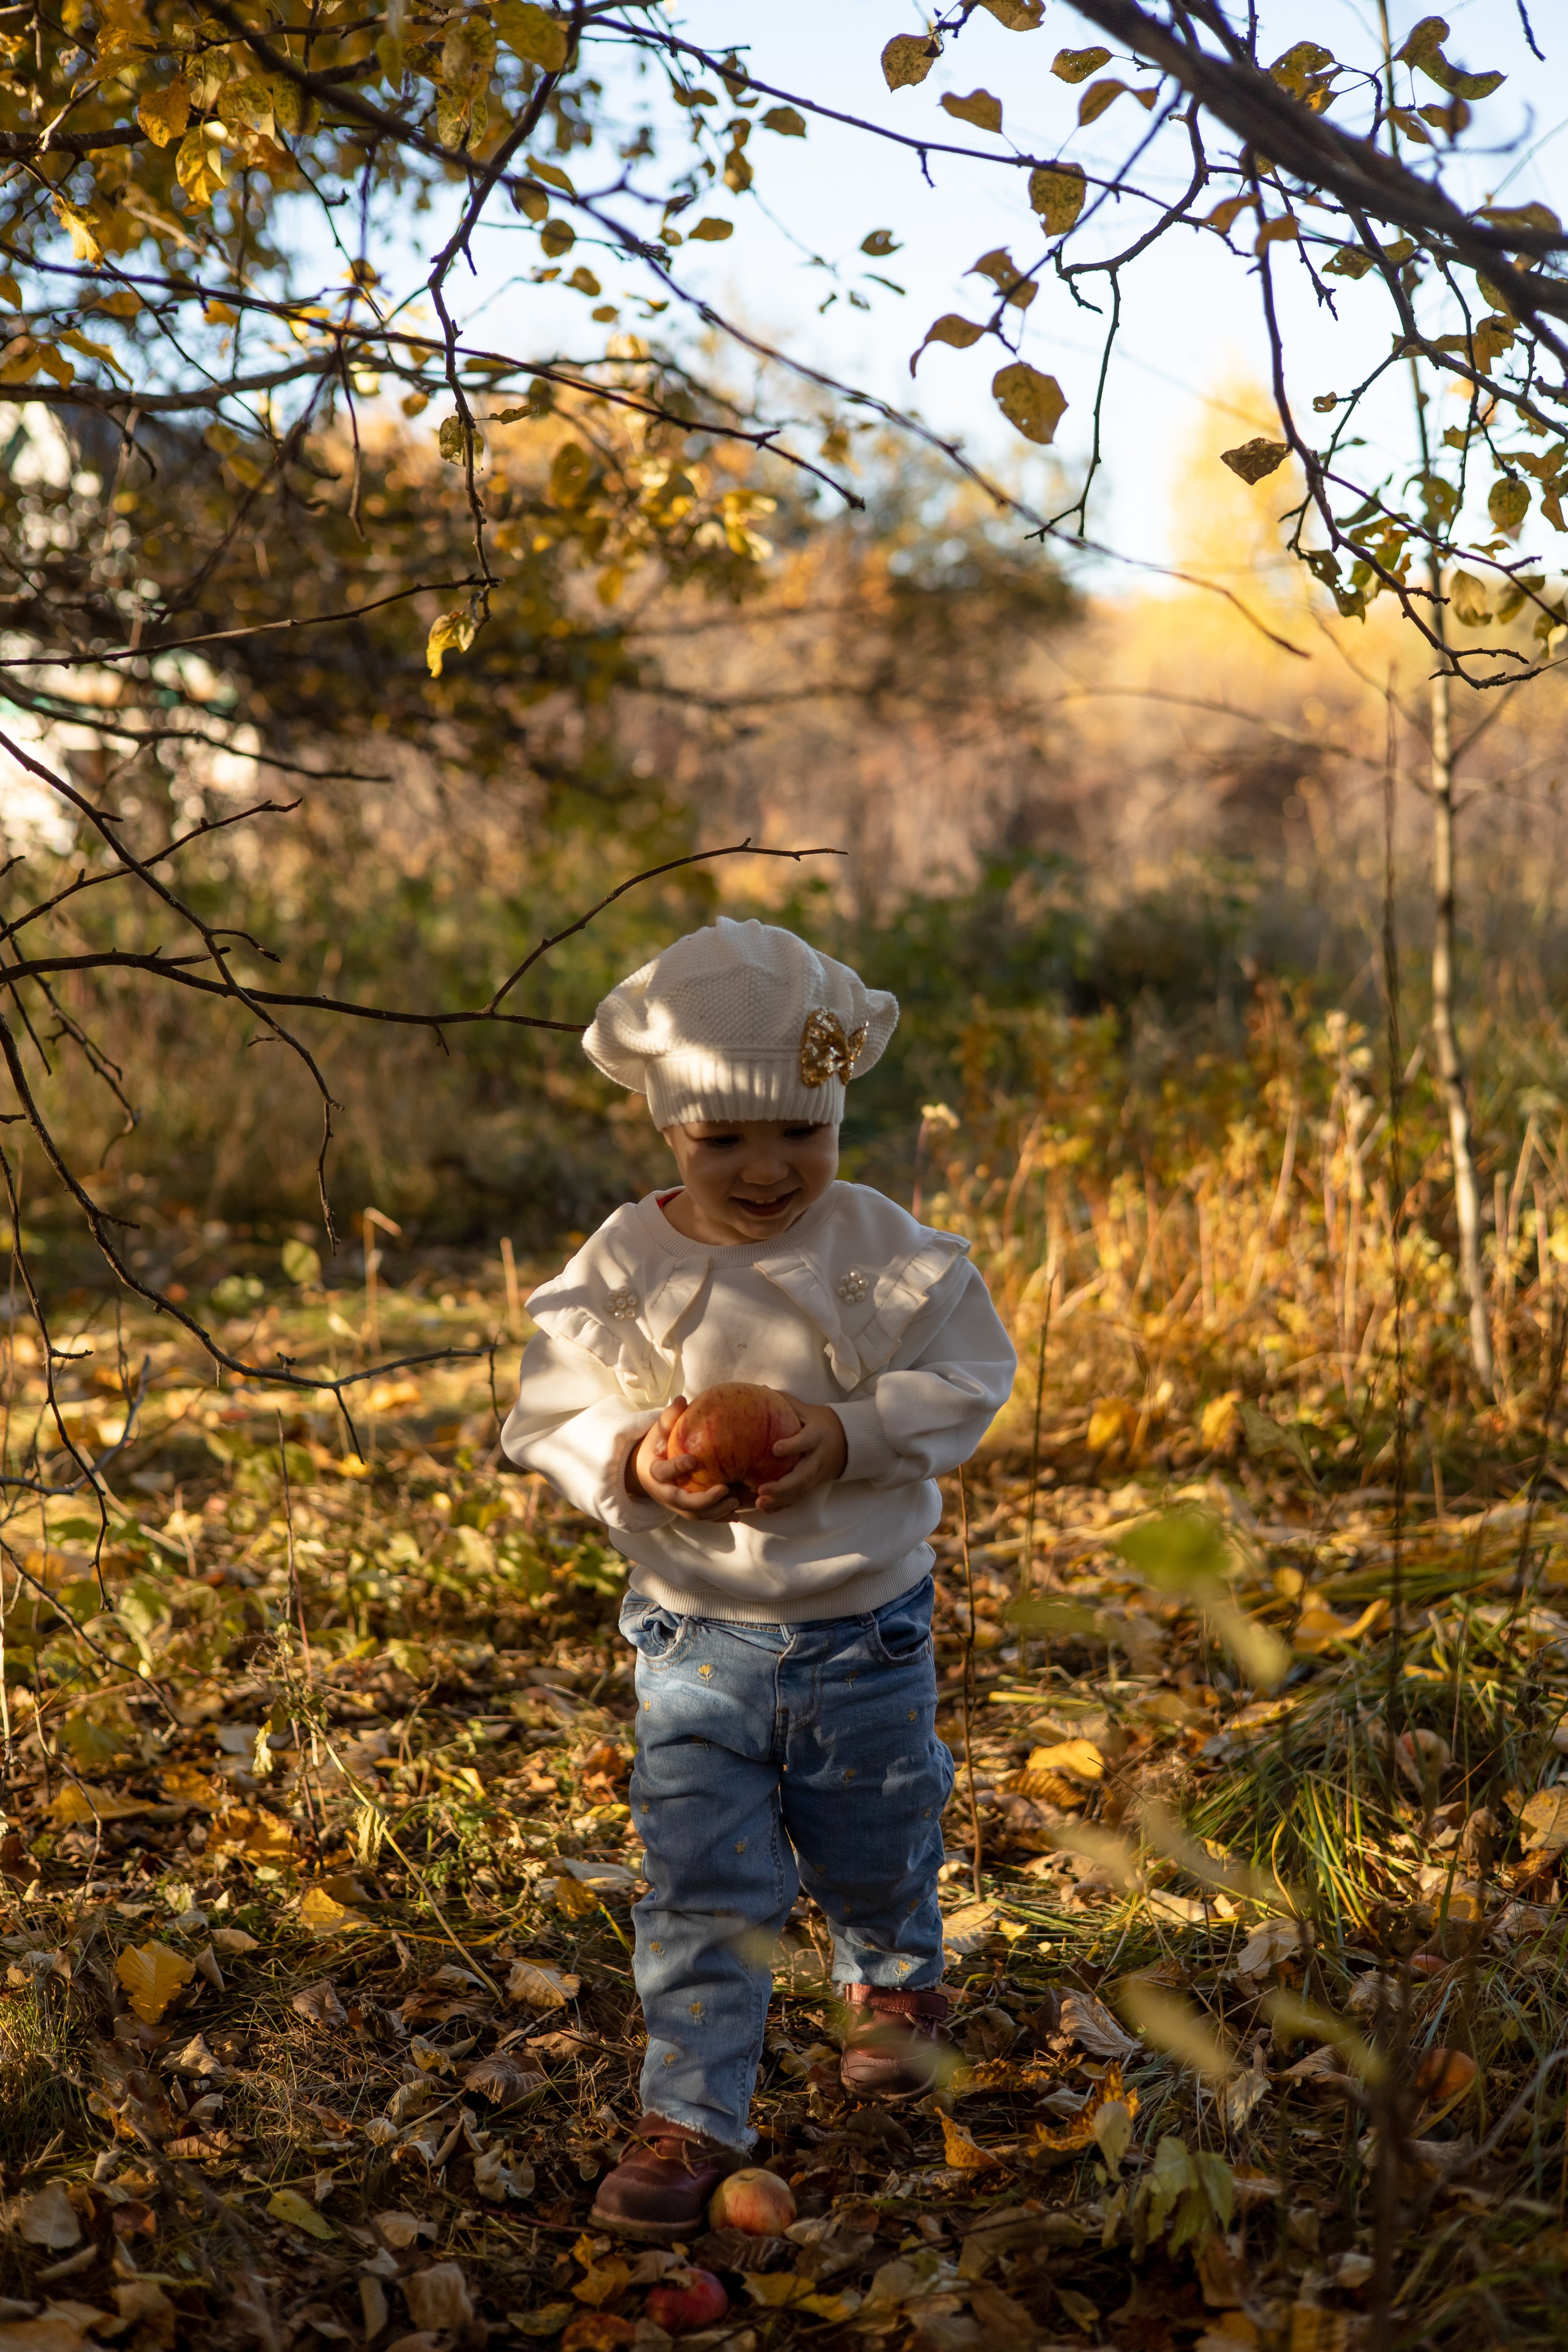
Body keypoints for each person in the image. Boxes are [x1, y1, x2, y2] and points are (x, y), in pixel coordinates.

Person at [502, 917, 1016, 2241]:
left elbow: (970, 1378)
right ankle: (692, 2114)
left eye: (800, 1128)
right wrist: (628, 1461)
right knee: (700, 1882)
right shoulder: (628, 1262)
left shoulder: (877, 1245)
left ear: (839, 1105)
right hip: (693, 1647)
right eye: (721, 1138)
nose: (768, 1167)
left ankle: (893, 1980)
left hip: (863, 1631)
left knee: (879, 1828)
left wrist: (850, 1436)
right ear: (666, 1127)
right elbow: (546, 1410)